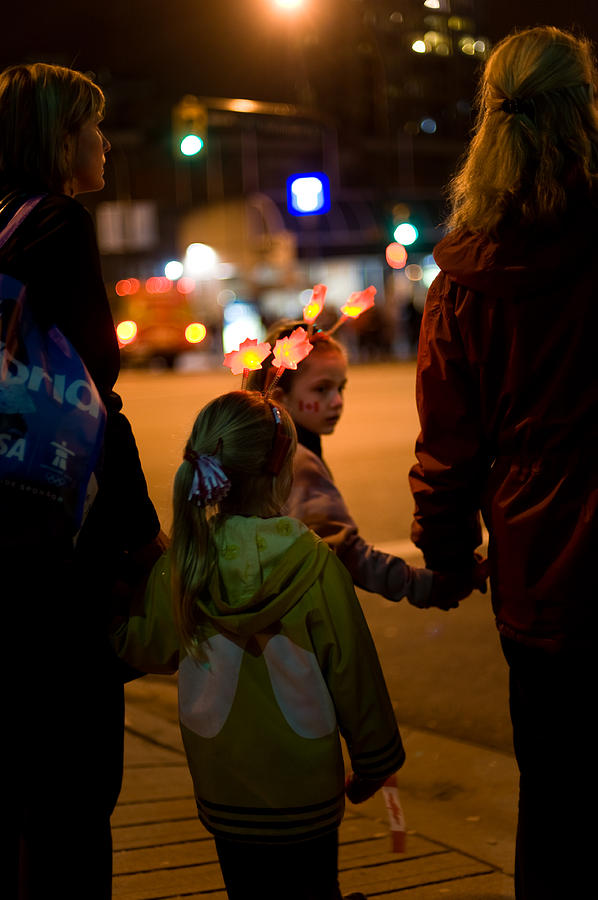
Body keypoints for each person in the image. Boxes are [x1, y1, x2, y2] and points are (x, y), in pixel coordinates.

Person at [408, 26, 598, 900]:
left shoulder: (464, 283)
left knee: (556, 800)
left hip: (539, 579)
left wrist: (447, 556)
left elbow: (448, 446)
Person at [113, 390, 405, 900]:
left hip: (225, 792)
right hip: (309, 792)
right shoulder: (314, 564)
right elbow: (353, 671)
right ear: (281, 468)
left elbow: (144, 648)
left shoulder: (183, 565)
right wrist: (375, 761)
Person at [0, 63, 165, 898]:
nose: (104, 141)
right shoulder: (58, 224)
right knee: (72, 793)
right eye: (93, 127)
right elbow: (95, 397)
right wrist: (142, 535)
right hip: (54, 548)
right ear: (61, 139)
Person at [248, 323, 478, 610]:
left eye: (341, 387)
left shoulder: (259, 447)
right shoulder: (296, 461)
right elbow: (343, 552)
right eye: (322, 389)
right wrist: (422, 585)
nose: (337, 401)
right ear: (281, 400)